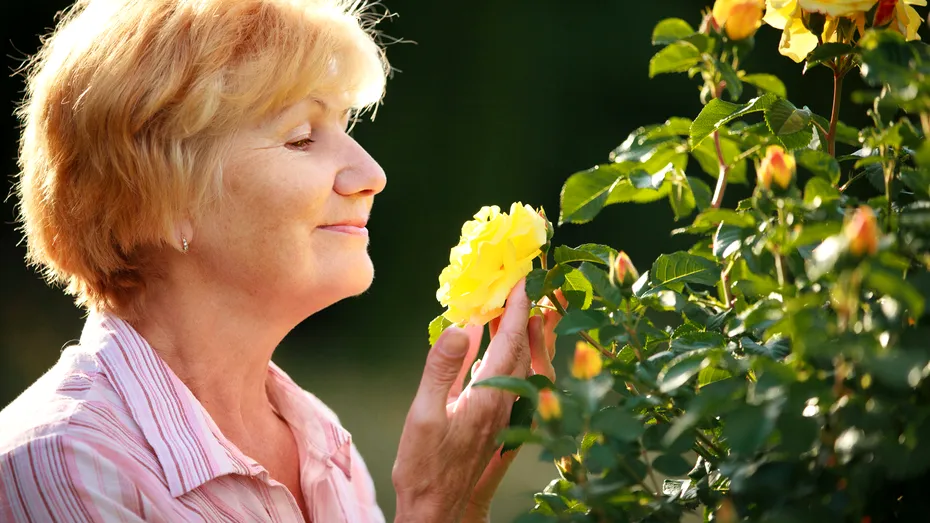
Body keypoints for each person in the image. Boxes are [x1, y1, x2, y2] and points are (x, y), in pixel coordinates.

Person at [0, 0, 563, 521]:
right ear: (154, 201)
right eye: (301, 137)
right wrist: (433, 509)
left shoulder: (323, 445)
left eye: (344, 127)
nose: (372, 175)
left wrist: (459, 507)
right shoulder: (66, 465)